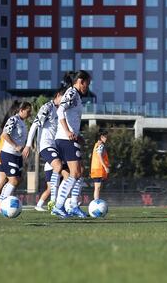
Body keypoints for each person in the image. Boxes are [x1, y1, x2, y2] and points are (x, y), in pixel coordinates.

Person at [52, 71, 91, 219]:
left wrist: (77, 135)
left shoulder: (76, 96)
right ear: (81, 81)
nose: (88, 86)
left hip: (69, 139)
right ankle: (58, 206)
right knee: (75, 173)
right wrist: (68, 131)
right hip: (65, 139)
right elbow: (60, 110)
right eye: (88, 83)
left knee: (80, 171)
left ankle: (73, 205)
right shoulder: (72, 93)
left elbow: (70, 117)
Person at [24, 89, 65, 211]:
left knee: (69, 174)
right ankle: (54, 204)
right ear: (58, 95)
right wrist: (28, 144)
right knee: (58, 166)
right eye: (65, 97)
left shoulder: (63, 110)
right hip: (46, 145)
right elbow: (35, 125)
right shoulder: (47, 107)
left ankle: (68, 204)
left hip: (57, 147)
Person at [0, 101, 33, 209]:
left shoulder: (23, 123)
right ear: (21, 110)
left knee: (19, 180)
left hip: (17, 156)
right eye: (28, 111)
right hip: (8, 154)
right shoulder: (13, 120)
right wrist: (16, 146)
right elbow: (4, 134)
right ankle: (0, 205)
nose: (30, 114)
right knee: (13, 180)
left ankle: (0, 201)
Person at [90, 129, 110, 200]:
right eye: (105, 137)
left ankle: (96, 200)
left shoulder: (96, 144)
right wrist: (105, 167)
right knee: (97, 187)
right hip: (98, 169)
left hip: (95, 169)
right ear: (101, 137)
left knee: (97, 187)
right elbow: (99, 155)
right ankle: (96, 202)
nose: (106, 138)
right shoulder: (101, 145)